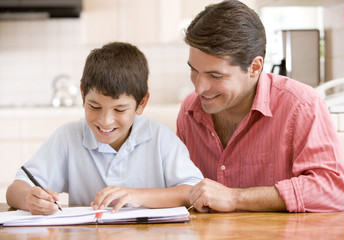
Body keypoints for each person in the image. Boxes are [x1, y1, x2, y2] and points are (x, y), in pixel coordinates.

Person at [176, 0, 344, 213]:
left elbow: (333, 190)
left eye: (215, 75)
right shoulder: (189, 112)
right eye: (194, 70)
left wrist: (235, 198)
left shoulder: (301, 105)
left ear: (254, 67)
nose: (200, 87)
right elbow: (178, 185)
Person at [6, 42, 203, 215]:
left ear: (142, 103)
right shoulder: (68, 137)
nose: (105, 120)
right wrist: (29, 200)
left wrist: (140, 196)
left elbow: (193, 191)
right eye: (95, 107)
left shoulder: (160, 137)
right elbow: (15, 190)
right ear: (82, 95)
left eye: (119, 109)